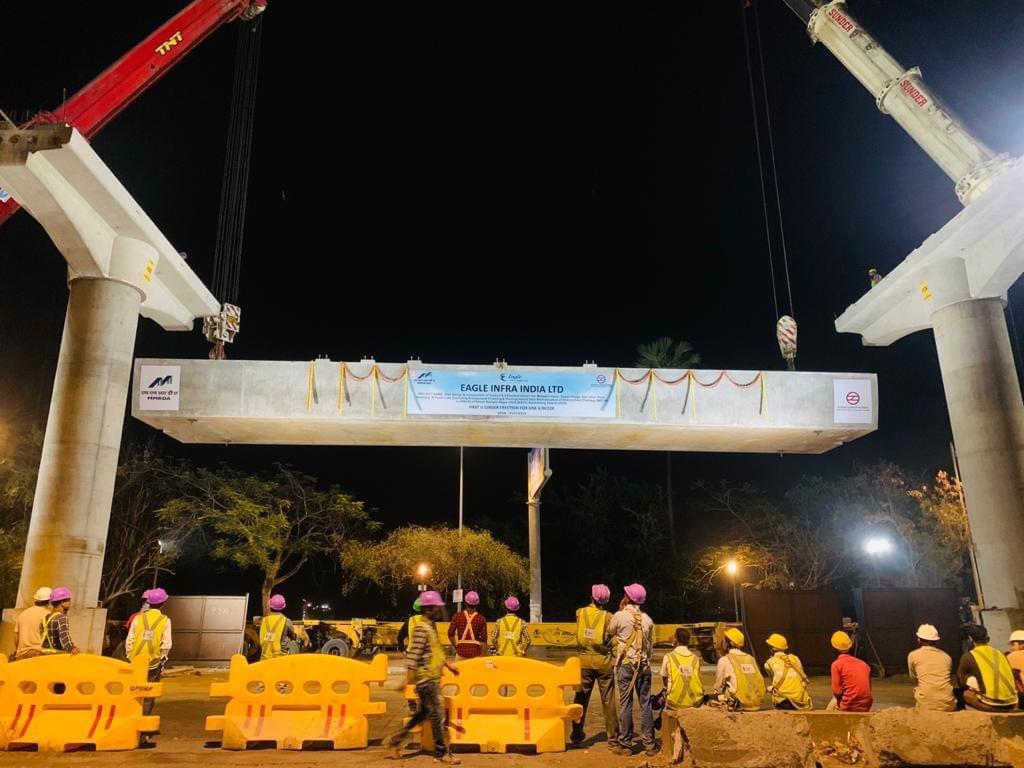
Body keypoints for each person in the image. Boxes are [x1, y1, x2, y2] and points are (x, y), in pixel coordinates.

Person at [385, 590, 461, 765]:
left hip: (431, 677)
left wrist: (448, 665)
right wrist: (407, 680)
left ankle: (395, 741)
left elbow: (435, 651)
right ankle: (441, 753)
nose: (438, 610)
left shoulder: (429, 626)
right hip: (426, 679)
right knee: (437, 715)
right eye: (436, 607)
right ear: (429, 608)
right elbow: (415, 655)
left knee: (421, 715)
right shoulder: (421, 628)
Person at [608, 583, 657, 757]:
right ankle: (650, 745)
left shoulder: (619, 616)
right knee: (645, 705)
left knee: (625, 704)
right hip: (643, 666)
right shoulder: (648, 619)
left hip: (626, 666)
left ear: (627, 598)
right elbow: (650, 646)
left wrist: (621, 610)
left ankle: (626, 744)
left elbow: (610, 631)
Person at [570, 584, 620, 749]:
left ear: (591, 597)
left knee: (580, 699)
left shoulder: (579, 613)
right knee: (608, 701)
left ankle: (576, 735)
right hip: (604, 663)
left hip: (584, 661)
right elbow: (613, 641)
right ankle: (613, 738)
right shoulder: (609, 617)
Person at [125, 587, 173, 733]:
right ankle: (144, 728)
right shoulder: (164, 620)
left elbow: (130, 640)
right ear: (163, 603)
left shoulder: (138, 618)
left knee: (133, 693)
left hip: (135, 662)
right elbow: (167, 644)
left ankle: (130, 723)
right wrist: (162, 659)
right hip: (153, 663)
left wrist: (130, 657)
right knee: (149, 695)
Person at [958, 623, 1017, 712]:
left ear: (970, 639)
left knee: (966, 693)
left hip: (991, 704)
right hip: (1012, 702)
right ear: (987, 639)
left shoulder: (969, 656)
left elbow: (961, 682)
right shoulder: (1000, 653)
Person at [711, 628, 765, 711]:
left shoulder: (725, 660)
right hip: (757, 703)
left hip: (740, 703)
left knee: (714, 696)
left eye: (724, 641)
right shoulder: (751, 659)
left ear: (729, 643)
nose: (723, 643)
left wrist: (717, 694)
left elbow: (719, 686)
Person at [906, 624, 955, 712]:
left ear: (919, 640)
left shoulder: (913, 655)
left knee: (918, 689)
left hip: (925, 704)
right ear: (936, 641)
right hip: (947, 703)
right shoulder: (947, 657)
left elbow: (913, 677)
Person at [660, 626, 704, 712]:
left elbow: (664, 680)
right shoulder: (696, 659)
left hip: (674, 702)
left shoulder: (668, 657)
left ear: (675, 639)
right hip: (696, 702)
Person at [763, 633, 811, 710]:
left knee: (775, 693)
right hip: (801, 701)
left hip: (784, 702)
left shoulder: (768, 663)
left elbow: (776, 685)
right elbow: (802, 681)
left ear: (771, 648)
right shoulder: (795, 659)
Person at [828, 631, 872, 712]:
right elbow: (868, 689)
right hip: (866, 705)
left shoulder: (836, 665)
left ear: (834, 648)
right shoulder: (864, 664)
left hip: (849, 705)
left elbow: (836, 691)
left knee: (833, 700)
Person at [13, 587, 51, 660]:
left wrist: (18, 651)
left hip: (21, 656)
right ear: (49, 602)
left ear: (36, 600)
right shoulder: (48, 615)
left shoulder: (23, 614)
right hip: (39, 654)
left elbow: (16, 636)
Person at [447, 591, 487, 660]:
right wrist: (483, 656)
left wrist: (456, 646)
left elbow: (450, 634)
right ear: (477, 603)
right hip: (475, 655)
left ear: (465, 603)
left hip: (460, 654)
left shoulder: (457, 616)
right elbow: (484, 640)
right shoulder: (481, 619)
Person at [41, 587, 79, 655]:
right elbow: (64, 635)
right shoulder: (61, 617)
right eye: (68, 600)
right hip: (56, 655)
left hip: (44, 654)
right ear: (62, 603)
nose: (70, 603)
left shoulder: (45, 618)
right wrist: (71, 648)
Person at [258, 594, 297, 660]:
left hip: (264, 657)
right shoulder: (286, 620)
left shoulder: (264, 620)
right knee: (295, 642)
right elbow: (293, 637)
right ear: (283, 607)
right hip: (280, 657)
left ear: (271, 606)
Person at [1007, 629, 1024, 709]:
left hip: (1021, 697)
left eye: (1012, 644)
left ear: (1019, 643)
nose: (1011, 647)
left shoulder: (1010, 657)